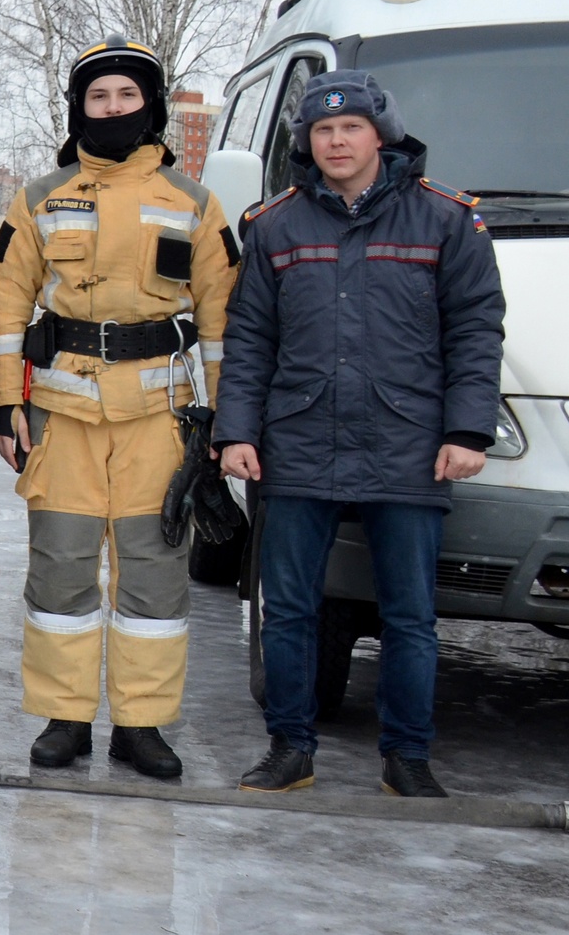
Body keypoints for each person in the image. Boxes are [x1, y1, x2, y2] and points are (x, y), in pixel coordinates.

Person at [214, 73, 504, 797]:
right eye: (322, 131)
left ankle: (407, 756)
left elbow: (475, 333)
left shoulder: (446, 220)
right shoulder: (275, 225)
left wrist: (468, 429)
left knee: (409, 617)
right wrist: (236, 431)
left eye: (351, 129)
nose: (337, 142)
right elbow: (248, 340)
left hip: (407, 444)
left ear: (383, 135)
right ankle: (290, 749)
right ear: (306, 143)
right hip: (298, 442)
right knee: (286, 612)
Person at [0, 37, 237, 778]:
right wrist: (7, 406)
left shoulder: (192, 203)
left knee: (154, 575)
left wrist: (225, 423)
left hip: (160, 421)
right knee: (61, 571)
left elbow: (224, 324)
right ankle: (65, 717)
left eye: (126, 96)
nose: (112, 108)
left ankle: (142, 724)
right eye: (98, 98)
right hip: (62, 419)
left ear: (152, 107)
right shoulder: (39, 199)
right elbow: (3, 309)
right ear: (79, 109)